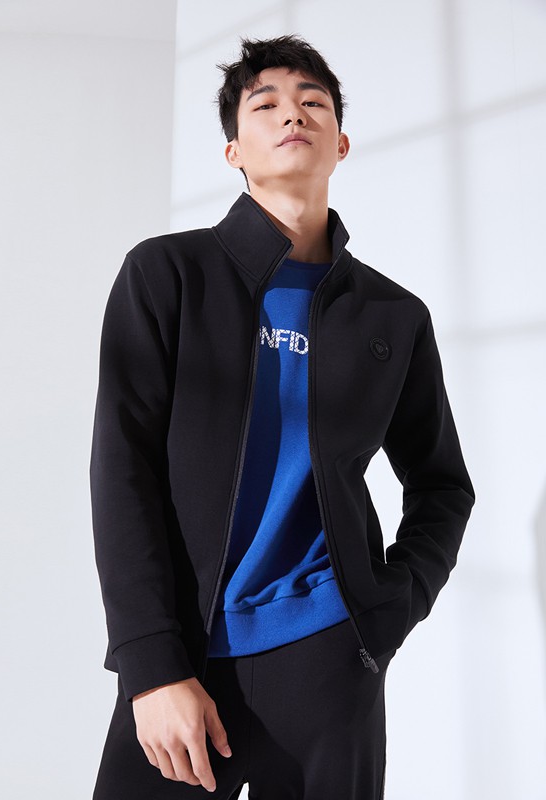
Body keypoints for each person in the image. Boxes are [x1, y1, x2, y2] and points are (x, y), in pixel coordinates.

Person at [89, 34, 475, 800]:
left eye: (313, 102)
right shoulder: (166, 276)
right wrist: (150, 664)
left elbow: (442, 485)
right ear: (233, 150)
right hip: (185, 654)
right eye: (265, 104)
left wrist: (389, 608)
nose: (292, 114)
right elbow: (122, 470)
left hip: (328, 658)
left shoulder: (393, 316)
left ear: (342, 142)